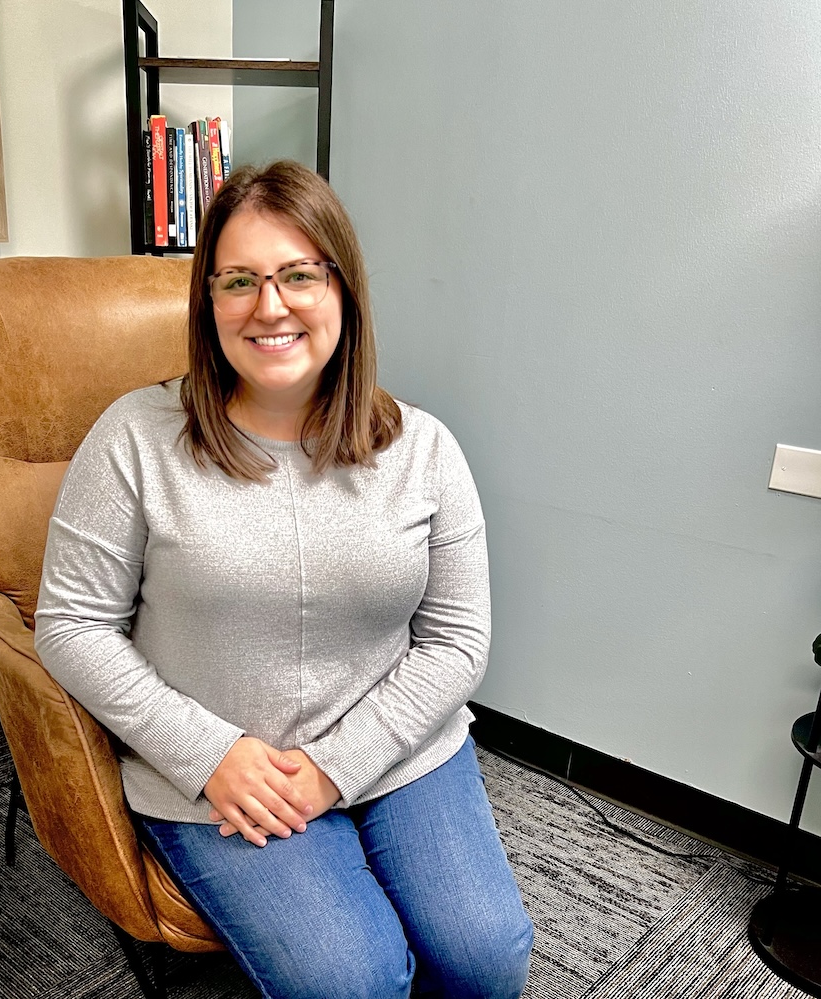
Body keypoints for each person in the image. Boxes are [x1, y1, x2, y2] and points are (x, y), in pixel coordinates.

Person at [34, 160, 533, 999]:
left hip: (401, 748)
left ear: (343, 288)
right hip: (228, 777)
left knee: (486, 961)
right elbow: (71, 624)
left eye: (299, 274)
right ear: (209, 302)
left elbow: (456, 640)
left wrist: (341, 764)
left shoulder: (425, 449)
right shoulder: (134, 438)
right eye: (240, 280)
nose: (270, 306)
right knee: (354, 982)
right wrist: (209, 753)